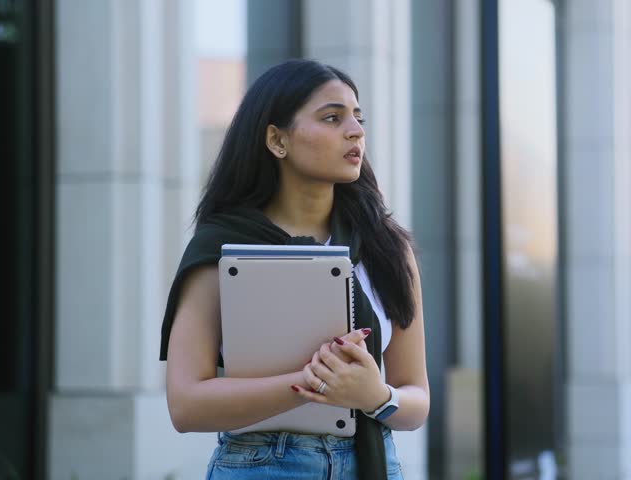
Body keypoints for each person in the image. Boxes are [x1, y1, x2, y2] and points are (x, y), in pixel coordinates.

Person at [159, 59, 429, 480]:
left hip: (373, 462)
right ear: (276, 139)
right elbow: (186, 404)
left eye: (358, 119)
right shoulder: (223, 249)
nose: (356, 132)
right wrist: (313, 382)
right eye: (332, 118)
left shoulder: (386, 249)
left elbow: (417, 400)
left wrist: (375, 395)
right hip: (263, 464)